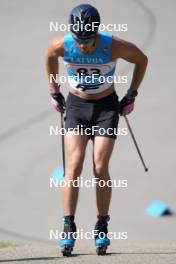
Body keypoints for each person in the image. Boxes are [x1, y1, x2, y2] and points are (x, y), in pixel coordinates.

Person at [45, 4, 148, 256]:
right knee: (74, 166)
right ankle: (69, 226)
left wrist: (132, 94)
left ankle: (101, 225)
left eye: (88, 40)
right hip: (78, 106)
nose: (83, 46)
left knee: (100, 167)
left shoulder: (113, 45)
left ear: (96, 33)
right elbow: (49, 57)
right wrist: (55, 91)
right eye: (79, 40)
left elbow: (142, 59)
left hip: (105, 108)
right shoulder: (62, 44)